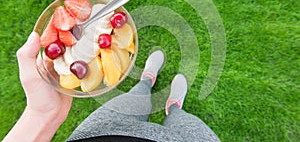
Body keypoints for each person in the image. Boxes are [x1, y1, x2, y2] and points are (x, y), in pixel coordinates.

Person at [3, 31, 220, 142]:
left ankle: (146, 80)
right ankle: (173, 107)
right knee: (184, 122)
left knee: (135, 97)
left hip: (101, 133)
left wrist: (42, 114)